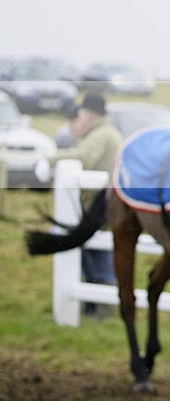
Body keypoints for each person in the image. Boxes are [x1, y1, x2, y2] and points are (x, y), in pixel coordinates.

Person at [37, 92, 123, 316]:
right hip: (98, 206)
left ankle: (103, 309)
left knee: (98, 258)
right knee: (91, 255)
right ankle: (94, 306)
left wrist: (49, 160)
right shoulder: (105, 132)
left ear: (89, 115)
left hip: (98, 208)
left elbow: (83, 158)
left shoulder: (101, 135)